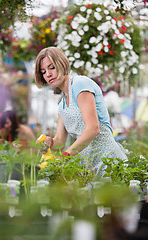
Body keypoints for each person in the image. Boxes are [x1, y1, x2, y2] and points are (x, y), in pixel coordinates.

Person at [35, 46, 128, 174]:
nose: (48, 74)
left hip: (108, 161)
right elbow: (60, 141)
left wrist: (65, 157)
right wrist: (48, 142)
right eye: (43, 71)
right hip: (88, 166)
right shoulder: (62, 104)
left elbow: (93, 128)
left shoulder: (80, 84)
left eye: (51, 67)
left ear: (61, 64)